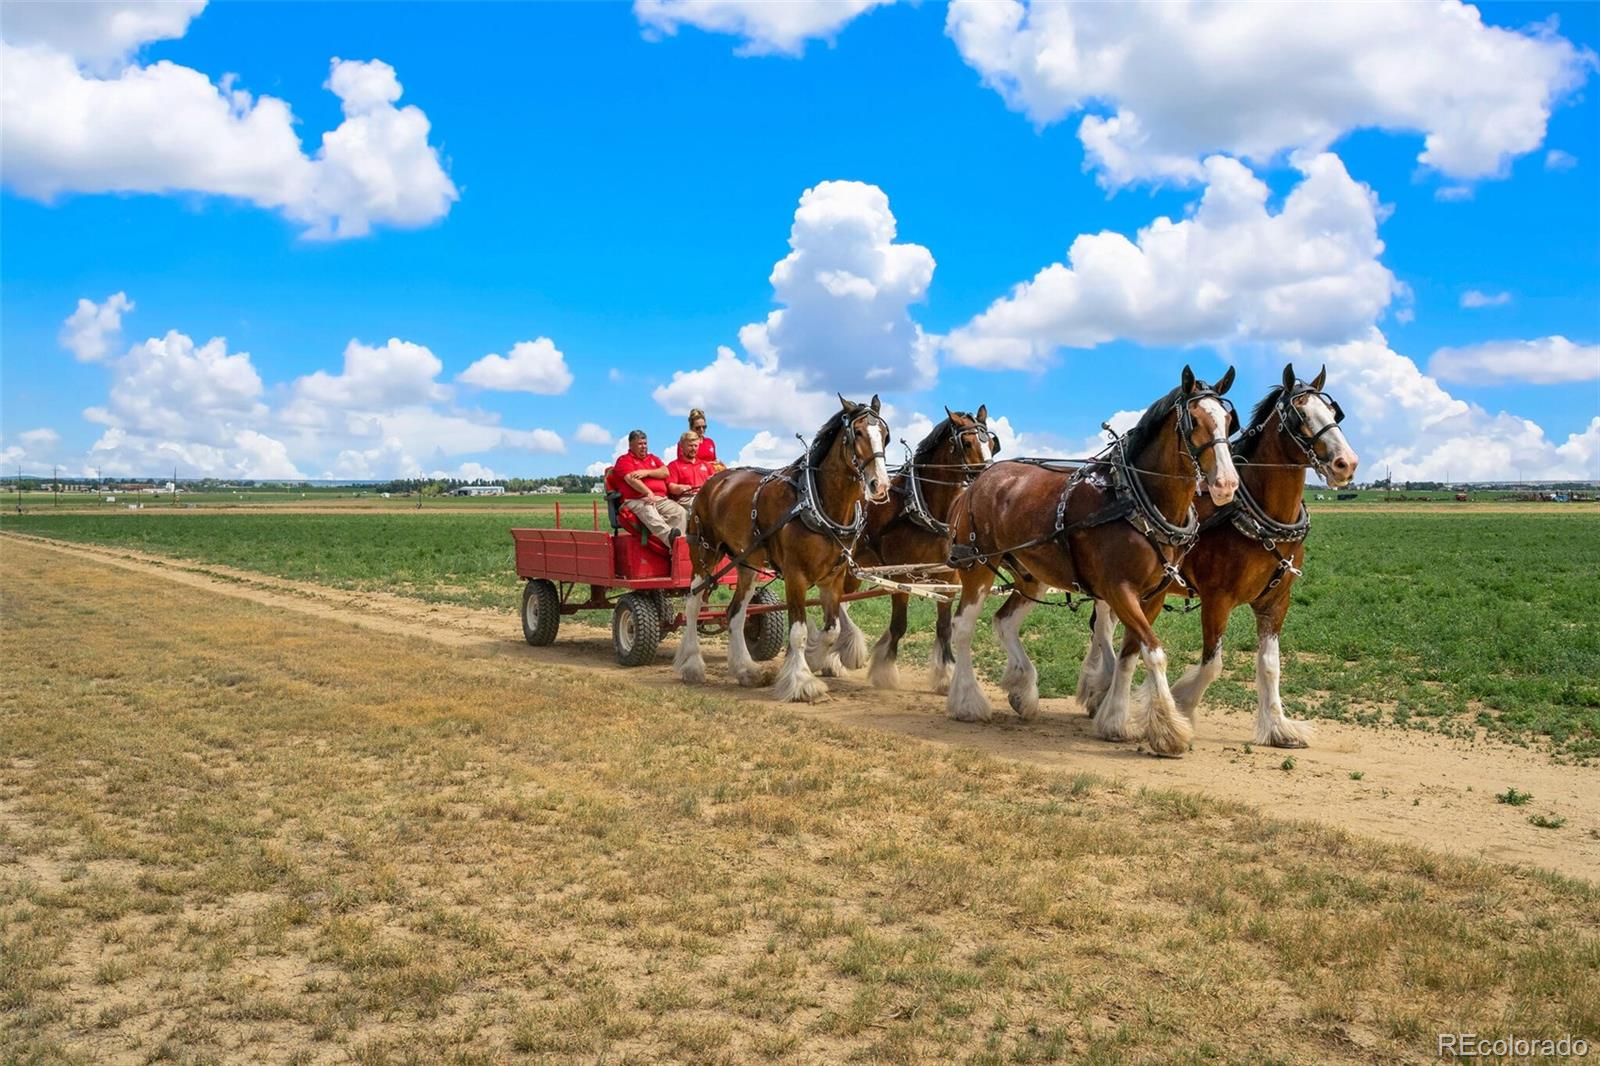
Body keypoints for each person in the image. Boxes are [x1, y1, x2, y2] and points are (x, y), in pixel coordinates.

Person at [613, 429, 687, 545]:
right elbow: (631, 479)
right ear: (631, 445)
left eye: (645, 443)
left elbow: (665, 472)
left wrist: (646, 472)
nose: (644, 447)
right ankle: (672, 542)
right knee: (649, 511)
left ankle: (680, 546)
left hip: (659, 498)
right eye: (640, 444)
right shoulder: (624, 460)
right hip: (636, 499)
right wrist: (648, 492)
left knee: (679, 512)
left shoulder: (653, 458)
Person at [668, 432, 714, 502]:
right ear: (681, 446)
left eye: (696, 446)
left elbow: (714, 482)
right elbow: (671, 486)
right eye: (690, 446)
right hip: (687, 498)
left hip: (706, 497)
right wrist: (680, 488)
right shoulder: (674, 465)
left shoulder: (706, 465)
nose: (693, 449)